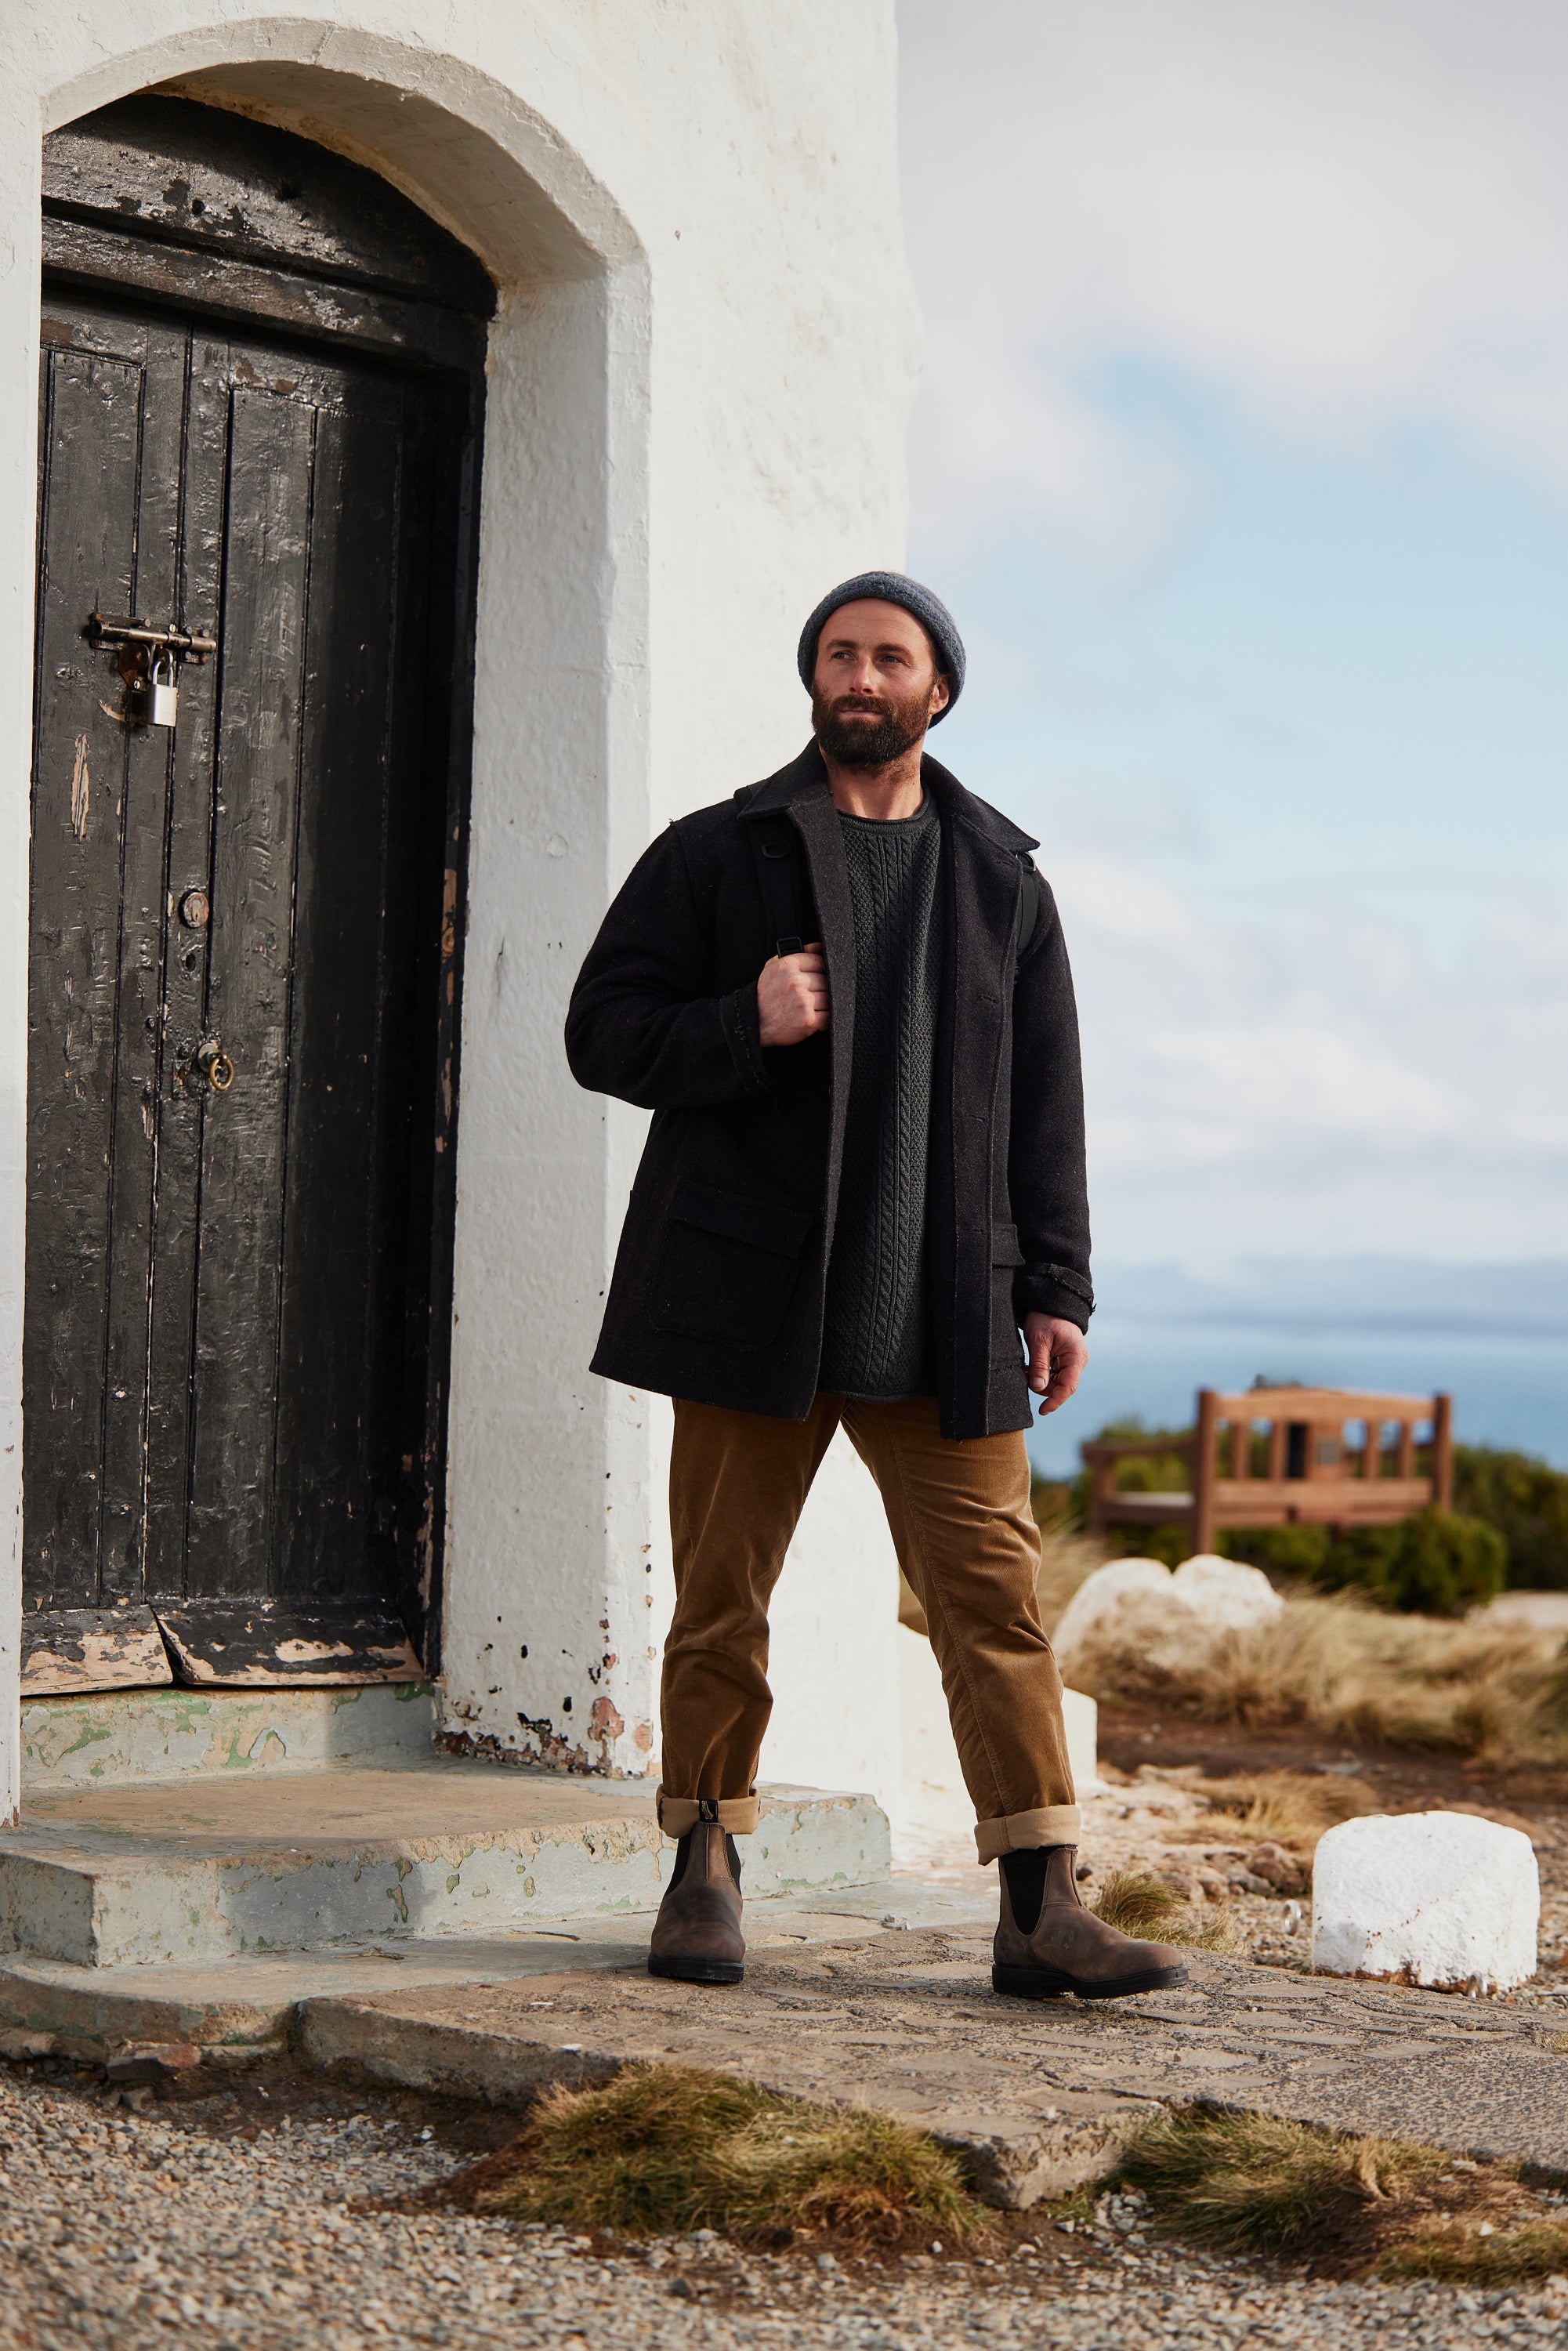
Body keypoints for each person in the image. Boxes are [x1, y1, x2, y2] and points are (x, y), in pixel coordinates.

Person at [565, 571, 1185, 2002]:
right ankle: (703, 1870)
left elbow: (1047, 1106)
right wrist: (743, 1020)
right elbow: (601, 1031)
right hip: (752, 1308)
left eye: (888, 657)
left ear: (935, 690)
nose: (860, 676)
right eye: (838, 654)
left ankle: (1039, 1904)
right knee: (720, 1605)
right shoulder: (715, 853)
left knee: (996, 1609)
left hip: (943, 1317)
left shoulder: (1003, 883)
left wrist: (1058, 1287)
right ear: (815, 680)